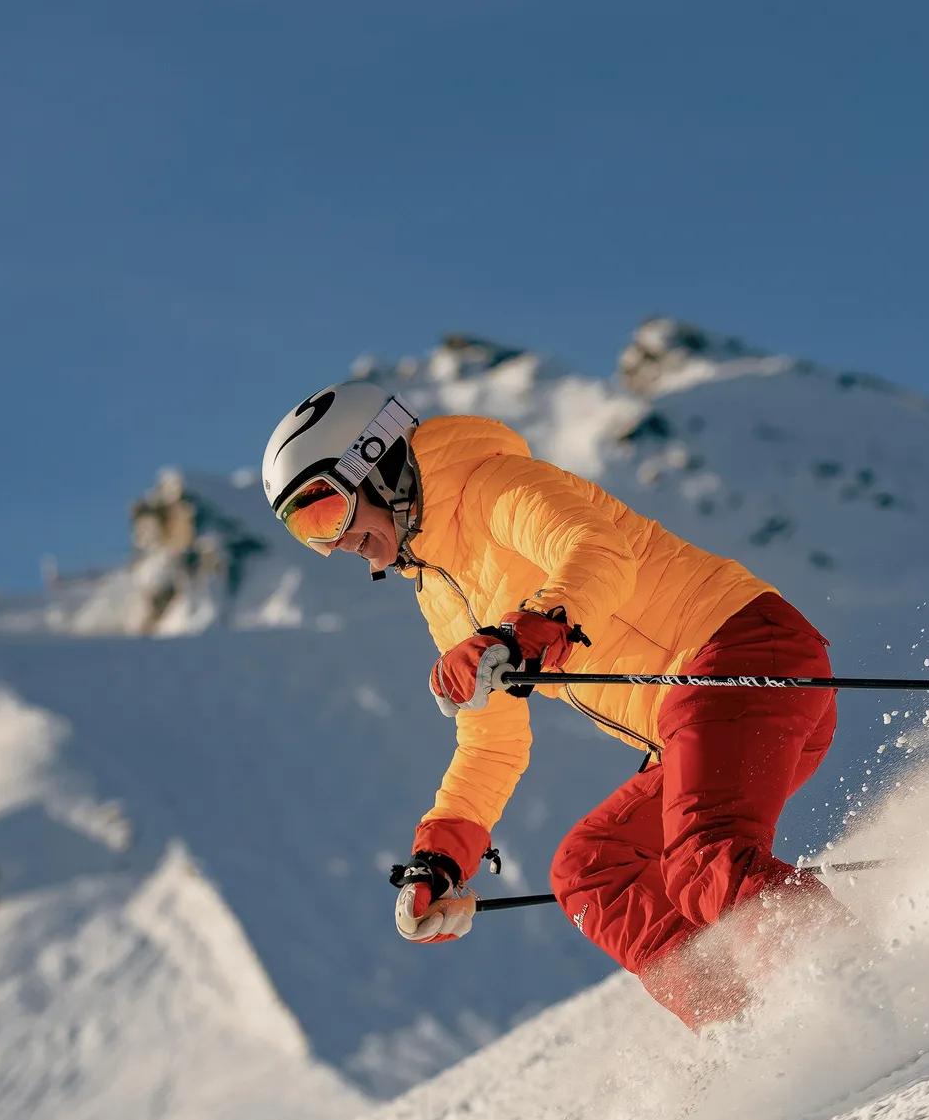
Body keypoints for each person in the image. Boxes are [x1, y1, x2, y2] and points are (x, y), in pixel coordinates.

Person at [261, 382, 840, 1028]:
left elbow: (597, 550)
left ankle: (852, 981)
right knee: (593, 869)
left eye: (327, 512)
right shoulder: (441, 589)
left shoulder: (492, 486)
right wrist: (443, 857)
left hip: (740, 652)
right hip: (694, 721)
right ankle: (751, 1027)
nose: (334, 543)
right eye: (307, 533)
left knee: (703, 862)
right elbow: (492, 740)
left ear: (377, 463)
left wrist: (527, 630)